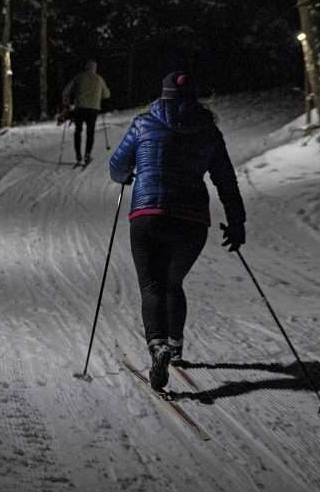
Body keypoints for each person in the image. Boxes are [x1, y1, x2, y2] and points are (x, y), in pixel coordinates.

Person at [108, 54, 246, 391]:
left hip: (148, 215)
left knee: (152, 286)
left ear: (163, 95)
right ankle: (176, 344)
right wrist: (236, 222)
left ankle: (158, 347)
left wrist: (127, 174)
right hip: (191, 220)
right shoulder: (208, 130)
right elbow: (225, 180)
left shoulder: (143, 123)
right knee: (173, 282)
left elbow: (116, 167)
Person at [62, 60, 111, 165]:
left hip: (80, 108)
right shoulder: (99, 79)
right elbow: (107, 94)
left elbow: (66, 91)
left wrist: (66, 102)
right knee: (90, 133)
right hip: (93, 109)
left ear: (86, 67)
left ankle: (78, 156)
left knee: (78, 131)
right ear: (95, 68)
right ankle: (87, 155)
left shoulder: (79, 77)